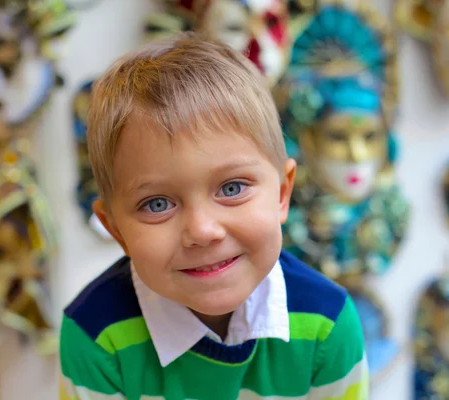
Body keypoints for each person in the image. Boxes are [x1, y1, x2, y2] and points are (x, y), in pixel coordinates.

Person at [59, 32, 368, 400]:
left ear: (282, 194)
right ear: (117, 231)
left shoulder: (327, 325)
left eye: (233, 188)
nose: (203, 230)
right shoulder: (95, 334)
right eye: (157, 204)